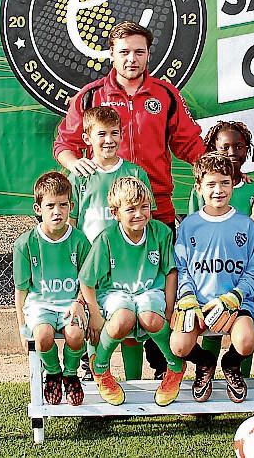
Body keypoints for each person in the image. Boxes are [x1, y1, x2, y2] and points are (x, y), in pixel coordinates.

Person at [54, 21, 206, 377]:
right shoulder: (91, 96)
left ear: (148, 54)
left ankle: (159, 372)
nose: (131, 59)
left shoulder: (165, 95)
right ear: (111, 54)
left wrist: (220, 171)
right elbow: (64, 143)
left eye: (139, 51)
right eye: (124, 52)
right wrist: (75, 163)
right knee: (110, 299)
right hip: (107, 225)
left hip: (155, 213)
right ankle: (96, 370)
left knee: (149, 294)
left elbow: (189, 144)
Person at [78, 177, 183, 406]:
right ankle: (100, 367)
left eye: (144, 207)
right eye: (131, 209)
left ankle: (175, 367)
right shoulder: (107, 238)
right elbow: (86, 281)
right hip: (114, 294)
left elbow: (171, 272)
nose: (139, 214)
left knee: (149, 316)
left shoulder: (161, 233)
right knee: (124, 316)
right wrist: (95, 314)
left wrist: (168, 308)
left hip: (149, 292)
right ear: (116, 213)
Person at [68, 106, 155, 382]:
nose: (109, 140)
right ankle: (97, 381)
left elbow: (146, 221)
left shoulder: (134, 173)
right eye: (101, 134)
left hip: (129, 267)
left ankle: (134, 385)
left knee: (130, 329)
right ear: (87, 138)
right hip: (93, 271)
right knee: (95, 324)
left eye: (114, 133)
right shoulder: (80, 177)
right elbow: (72, 226)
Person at [170, 153, 254, 403]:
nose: (218, 190)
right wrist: (187, 296)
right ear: (199, 188)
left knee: (246, 342)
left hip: (235, 304)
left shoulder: (247, 225)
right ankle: (205, 362)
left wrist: (234, 297)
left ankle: (230, 364)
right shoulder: (189, 225)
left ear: (233, 184)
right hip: (198, 303)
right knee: (178, 346)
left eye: (224, 182)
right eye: (211, 184)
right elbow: (182, 268)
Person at [13, 172, 91, 406]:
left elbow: (86, 282)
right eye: (50, 206)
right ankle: (53, 373)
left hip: (71, 303)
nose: (57, 211)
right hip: (41, 304)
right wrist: (21, 325)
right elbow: (21, 290)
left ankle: (70, 374)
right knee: (43, 336)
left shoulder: (80, 241)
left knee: (76, 335)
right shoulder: (25, 244)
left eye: (63, 205)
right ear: (38, 208)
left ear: (71, 206)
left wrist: (79, 302)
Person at [189, 121, 254, 379]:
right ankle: (205, 373)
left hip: (242, 279)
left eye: (239, 146)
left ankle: (242, 375)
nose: (232, 152)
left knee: (243, 333)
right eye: (224, 146)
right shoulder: (202, 191)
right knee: (210, 327)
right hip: (208, 280)